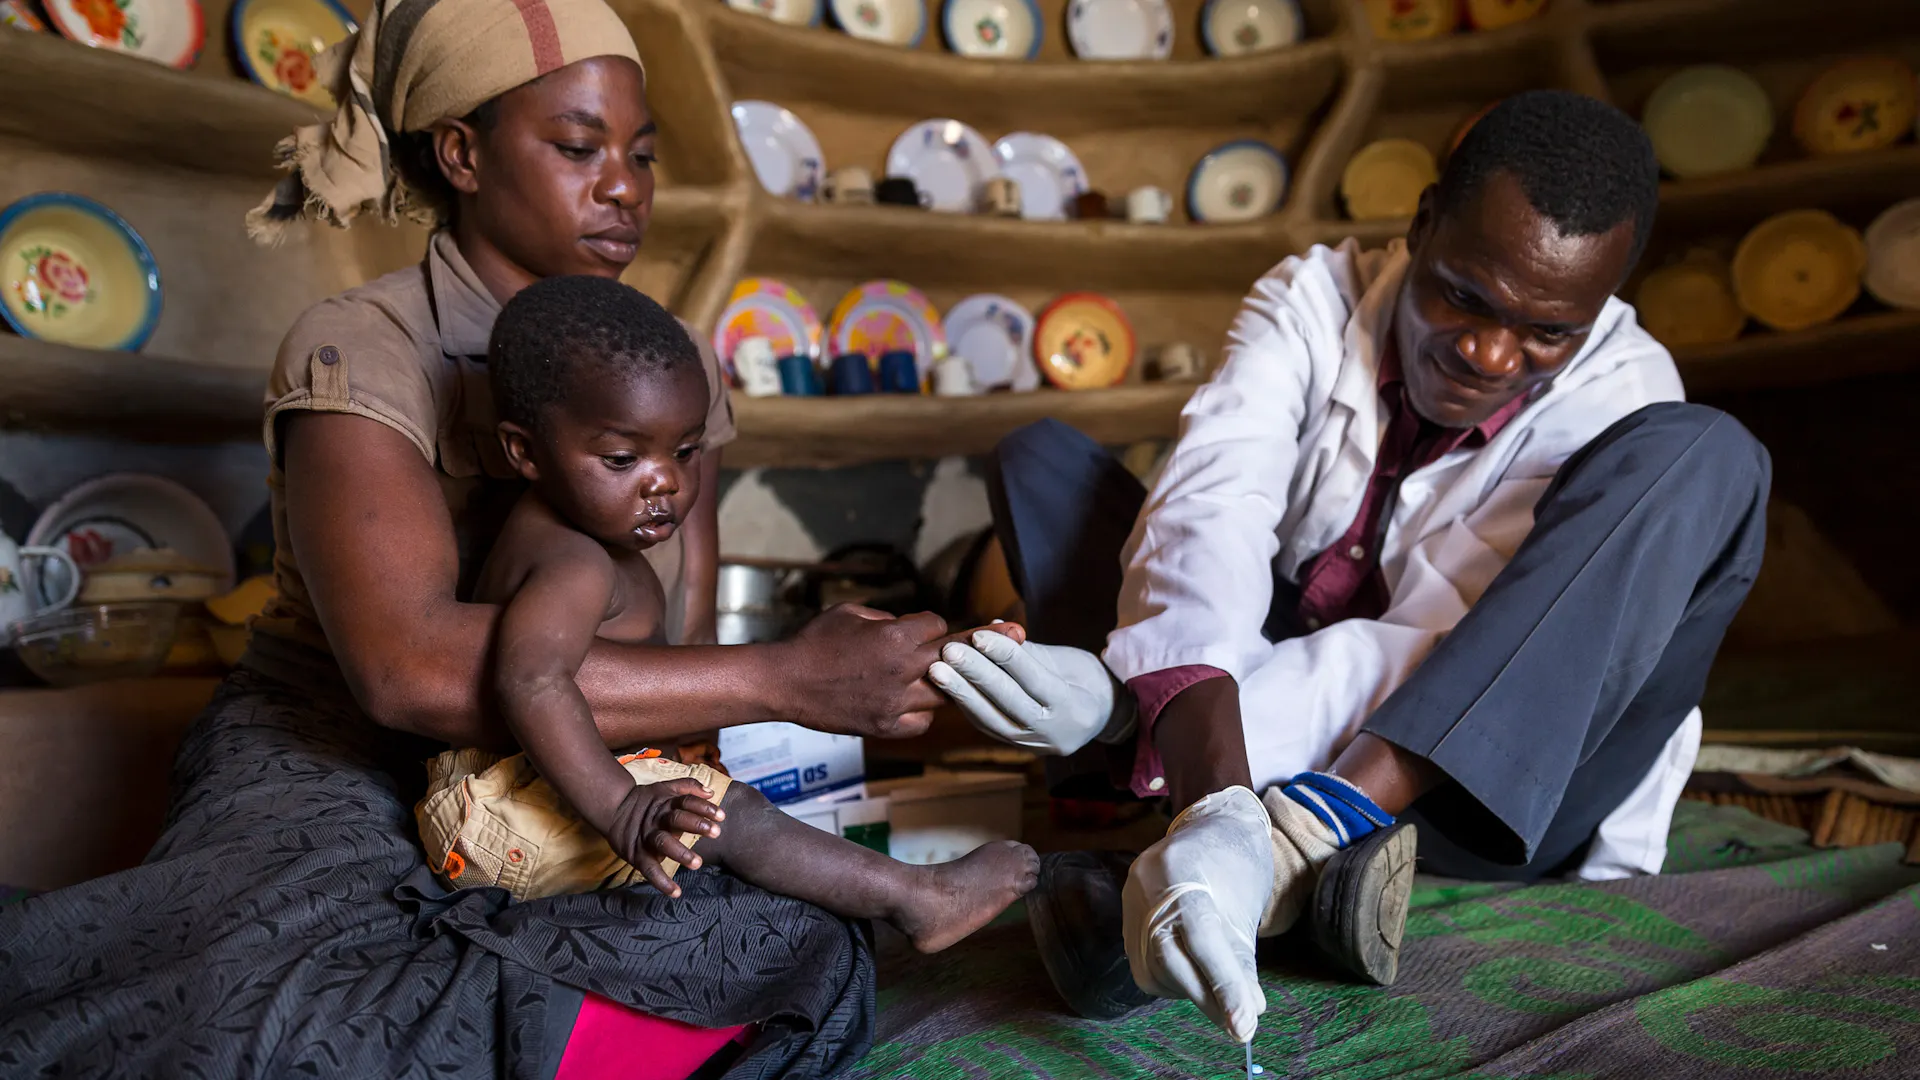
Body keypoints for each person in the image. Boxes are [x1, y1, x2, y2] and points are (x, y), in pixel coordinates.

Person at [0, 0, 962, 1074]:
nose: (624, 187)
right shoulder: (367, 346)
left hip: (580, 759)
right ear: (461, 151)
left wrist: (694, 775)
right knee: (280, 986)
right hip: (334, 749)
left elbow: (678, 640)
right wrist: (784, 676)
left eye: (641, 155)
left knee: (793, 945)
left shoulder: (667, 365)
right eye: (577, 147)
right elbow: (404, 671)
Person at [928, 91, 1771, 1043]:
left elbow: (1452, 656)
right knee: (1040, 460)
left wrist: (1149, 723)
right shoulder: (1311, 297)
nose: (1492, 354)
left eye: (1548, 333)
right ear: (1418, 227)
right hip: (1277, 716)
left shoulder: (1624, 398)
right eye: (1465, 294)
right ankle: (1243, 845)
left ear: (1601, 310)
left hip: (1480, 788)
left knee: (1710, 456)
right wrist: (1197, 758)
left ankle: (1273, 843)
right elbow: (1214, 503)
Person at [417, 274, 1038, 948]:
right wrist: (622, 805)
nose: (667, 482)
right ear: (525, 452)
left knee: (720, 816)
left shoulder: (578, 536)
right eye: (623, 458)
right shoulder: (571, 560)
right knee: (729, 816)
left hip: (509, 798)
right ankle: (919, 898)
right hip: (501, 812)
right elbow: (531, 680)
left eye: (684, 451)